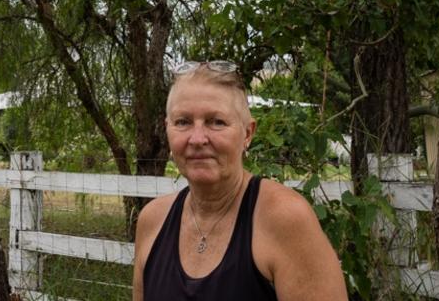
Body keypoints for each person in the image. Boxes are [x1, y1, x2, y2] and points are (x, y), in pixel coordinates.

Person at [132, 61, 347, 301]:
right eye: (183, 122)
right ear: (167, 129)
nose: (197, 138)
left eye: (217, 122)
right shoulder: (152, 221)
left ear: (247, 133)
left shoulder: (284, 219)